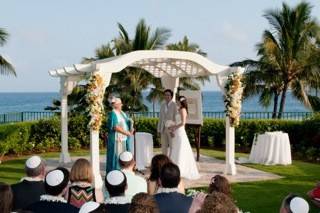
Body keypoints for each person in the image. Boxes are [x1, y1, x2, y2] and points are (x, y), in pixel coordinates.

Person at [168, 96, 200, 180]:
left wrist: (174, 127)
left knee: (180, 150)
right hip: (176, 131)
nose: (177, 102)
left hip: (180, 131)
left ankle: (181, 169)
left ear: (181, 102)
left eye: (178, 101)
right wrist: (172, 129)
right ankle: (174, 168)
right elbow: (176, 121)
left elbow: (183, 123)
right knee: (175, 149)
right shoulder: (178, 110)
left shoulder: (183, 110)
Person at [106, 97, 134, 173]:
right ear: (116, 105)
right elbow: (115, 126)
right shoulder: (113, 113)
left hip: (123, 138)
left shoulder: (122, 113)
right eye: (120, 103)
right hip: (116, 138)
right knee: (116, 155)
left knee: (123, 153)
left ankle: (123, 169)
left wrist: (131, 128)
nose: (121, 105)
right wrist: (126, 132)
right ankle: (115, 171)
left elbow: (127, 122)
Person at [157, 89, 177, 155]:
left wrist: (173, 130)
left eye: (168, 95)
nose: (166, 96)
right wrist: (159, 130)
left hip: (171, 129)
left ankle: (171, 161)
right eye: (165, 95)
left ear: (171, 96)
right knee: (164, 147)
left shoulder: (174, 105)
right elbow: (160, 118)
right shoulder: (162, 105)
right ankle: (164, 161)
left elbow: (176, 118)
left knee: (172, 146)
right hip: (163, 129)